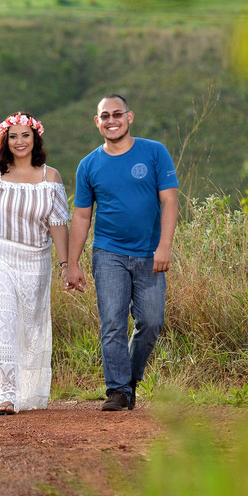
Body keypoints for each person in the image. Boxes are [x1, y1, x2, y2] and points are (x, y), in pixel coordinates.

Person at [64, 94, 179, 411]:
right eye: (105, 116)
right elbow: (82, 216)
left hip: (150, 254)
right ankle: (117, 391)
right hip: (108, 254)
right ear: (97, 122)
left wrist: (164, 246)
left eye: (117, 114)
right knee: (112, 323)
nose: (111, 120)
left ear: (130, 117)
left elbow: (169, 201)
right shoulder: (88, 165)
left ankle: (129, 381)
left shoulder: (154, 152)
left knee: (152, 321)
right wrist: (71, 263)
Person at [0, 112, 71, 416]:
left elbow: (58, 225)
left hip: (35, 260)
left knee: (28, 326)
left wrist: (65, 265)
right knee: (3, 322)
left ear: (35, 137)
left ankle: (26, 391)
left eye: (25, 135)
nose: (19, 141)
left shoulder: (50, 177)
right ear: (5, 140)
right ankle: (5, 396)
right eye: (13, 136)